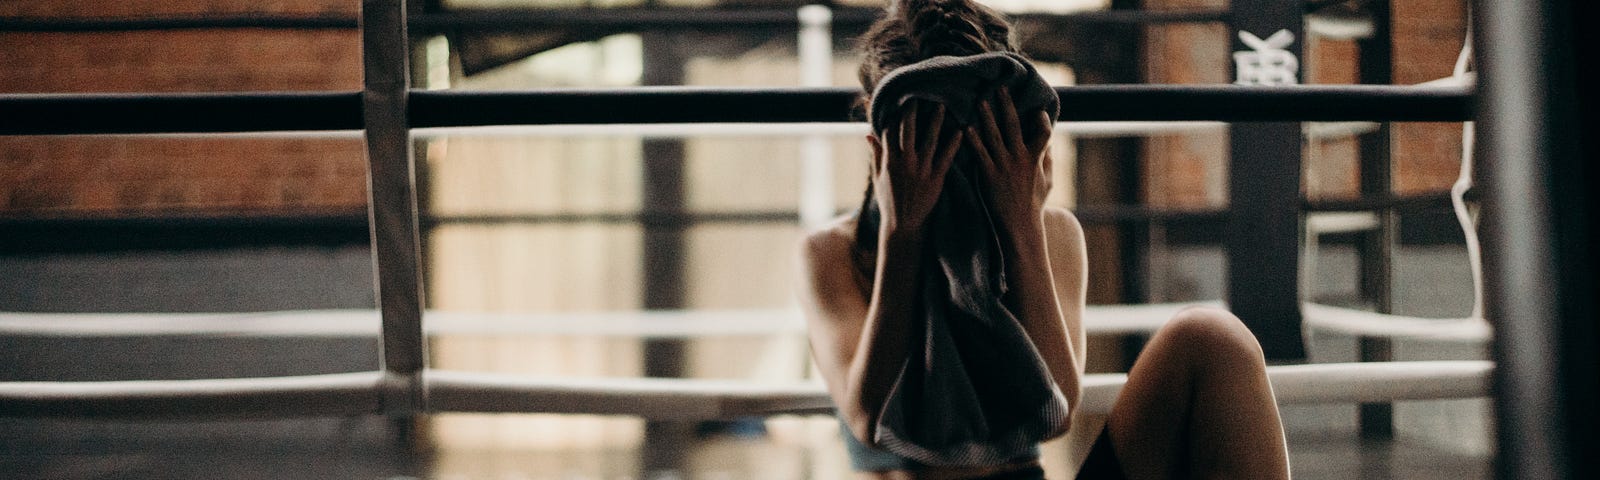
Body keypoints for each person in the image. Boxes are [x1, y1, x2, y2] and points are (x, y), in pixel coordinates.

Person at [793, 0, 1292, 478]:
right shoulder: (835, 252)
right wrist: (904, 235)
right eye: (932, 132)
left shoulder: (1050, 232)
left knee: (1213, 337)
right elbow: (868, 421)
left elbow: (1056, 413)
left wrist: (1021, 222)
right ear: (882, 145)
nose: (954, 158)